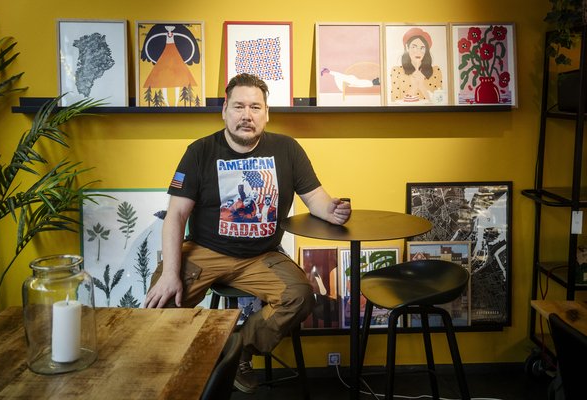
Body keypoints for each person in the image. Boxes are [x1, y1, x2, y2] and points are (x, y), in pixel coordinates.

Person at [144, 73, 351, 394]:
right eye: (239, 106)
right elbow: (176, 216)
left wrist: (335, 211)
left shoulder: (287, 150)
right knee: (161, 307)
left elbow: (319, 202)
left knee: (300, 296)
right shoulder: (199, 152)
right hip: (205, 250)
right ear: (224, 110)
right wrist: (170, 273)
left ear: (267, 113)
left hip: (261, 256)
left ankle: (237, 348)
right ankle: (185, 372)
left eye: (255, 107)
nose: (247, 115)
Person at [390, 27, 443, 103]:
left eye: (422, 48)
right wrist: (414, 86)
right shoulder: (396, 71)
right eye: (414, 47)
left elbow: (439, 102)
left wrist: (421, 85)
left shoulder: (436, 71)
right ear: (407, 48)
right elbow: (395, 102)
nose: (418, 51)